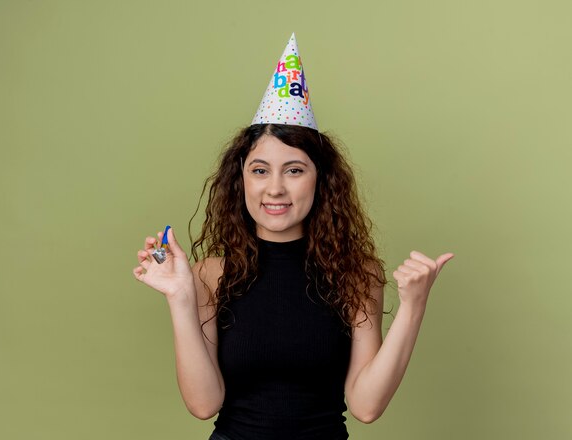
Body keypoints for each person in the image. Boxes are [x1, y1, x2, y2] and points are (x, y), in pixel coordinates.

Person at [132, 34, 453, 440]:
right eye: (260, 170)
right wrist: (179, 297)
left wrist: (414, 305)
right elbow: (203, 404)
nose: (275, 189)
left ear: (321, 181)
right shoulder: (209, 274)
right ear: (241, 179)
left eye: (295, 170)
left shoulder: (357, 274)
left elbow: (366, 406)